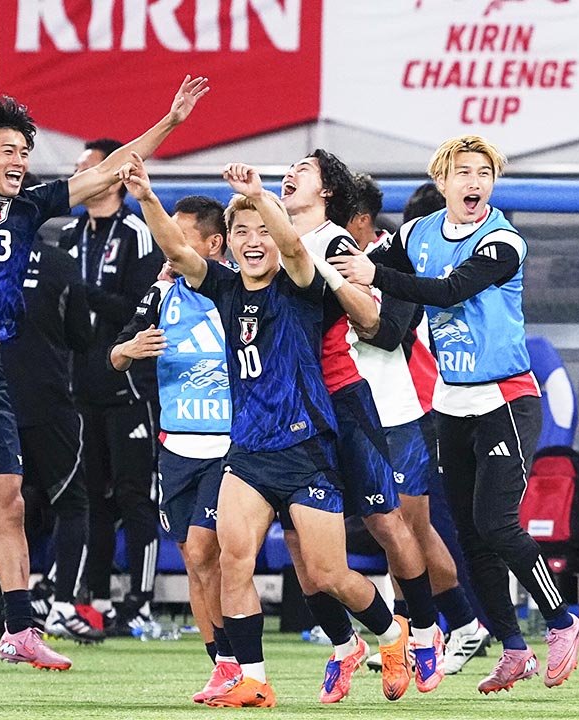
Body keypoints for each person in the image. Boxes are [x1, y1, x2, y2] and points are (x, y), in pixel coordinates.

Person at [0, 21, 208, 671]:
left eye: (25, 151)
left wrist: (169, 121)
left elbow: (110, 169)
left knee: (10, 500)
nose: (20, 160)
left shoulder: (32, 207)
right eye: (8, 150)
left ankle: (20, 629)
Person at [118, 155, 413, 707]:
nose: (254, 241)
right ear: (228, 242)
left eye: (263, 230)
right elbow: (179, 251)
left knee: (328, 574)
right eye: (242, 231)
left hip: (306, 449)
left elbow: (297, 250)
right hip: (249, 452)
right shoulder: (225, 288)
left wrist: (259, 196)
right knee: (234, 561)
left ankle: (392, 634)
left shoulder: (300, 285)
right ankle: (252, 679)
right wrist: (147, 198)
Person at [330, 135, 579, 694]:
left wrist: (373, 275)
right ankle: (512, 647)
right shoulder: (418, 234)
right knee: (470, 537)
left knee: (497, 523)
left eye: (484, 173)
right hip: (450, 401)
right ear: (442, 181)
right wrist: (330, 267)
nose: (475, 182)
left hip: (505, 400)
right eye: (464, 172)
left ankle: (563, 621)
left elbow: (449, 291)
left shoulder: (503, 241)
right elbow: (366, 267)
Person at [281, 151, 445, 701]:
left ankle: (424, 632)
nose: (289, 174)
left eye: (303, 169)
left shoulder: (336, 244)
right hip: (288, 410)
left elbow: (374, 320)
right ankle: (343, 644)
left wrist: (330, 274)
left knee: (386, 521)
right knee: (299, 541)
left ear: (327, 191)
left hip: (342, 400)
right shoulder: (269, 238)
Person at [346, 173, 490, 677]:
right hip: (368, 412)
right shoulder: (337, 258)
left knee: (410, 529)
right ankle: (430, 630)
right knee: (396, 530)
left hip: (412, 410)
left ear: (361, 219)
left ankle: (456, 625)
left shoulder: (395, 262)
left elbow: (390, 333)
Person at [110, 195, 237, 701]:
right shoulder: (161, 292)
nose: (169, 247)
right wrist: (128, 349)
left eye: (179, 237)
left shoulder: (237, 290)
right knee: (194, 560)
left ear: (213, 244)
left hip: (227, 448)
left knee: (207, 551)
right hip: (176, 449)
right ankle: (221, 664)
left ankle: (238, 658)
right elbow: (116, 354)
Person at [58, 138, 169, 636]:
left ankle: (140, 602)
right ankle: (96, 600)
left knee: (133, 496)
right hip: (79, 387)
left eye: (86, 168)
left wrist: (83, 294)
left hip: (129, 389)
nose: (78, 176)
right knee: (89, 498)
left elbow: (140, 308)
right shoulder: (67, 234)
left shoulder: (138, 235)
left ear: (113, 175)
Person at [0, 233, 100, 644]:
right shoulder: (60, 262)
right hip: (48, 402)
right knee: (72, 503)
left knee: (1, 509)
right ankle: (61, 607)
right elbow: (82, 336)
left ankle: (11, 614)